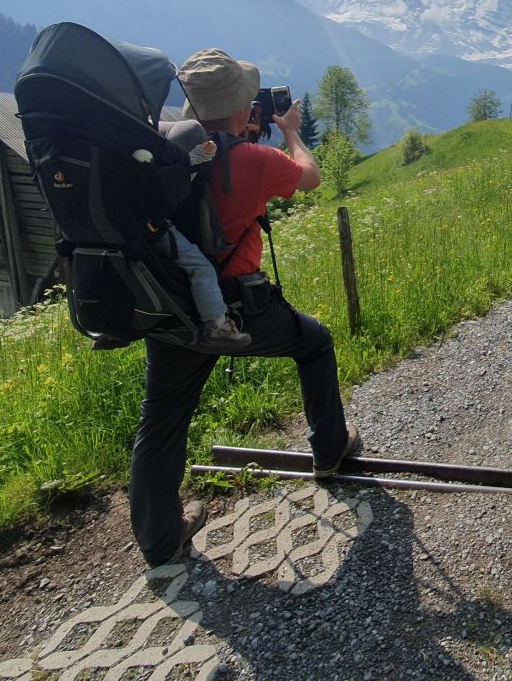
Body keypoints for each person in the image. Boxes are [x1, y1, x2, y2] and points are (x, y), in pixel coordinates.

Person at [129, 48, 361, 567]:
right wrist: (292, 132)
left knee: (161, 419)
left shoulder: (165, 149)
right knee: (314, 342)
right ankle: (329, 451)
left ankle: (160, 540)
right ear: (243, 108)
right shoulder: (254, 160)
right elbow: (310, 177)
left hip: (170, 307)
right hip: (239, 308)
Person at [152, 121, 249, 349]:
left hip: (115, 231)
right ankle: (217, 325)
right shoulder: (160, 164)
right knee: (200, 267)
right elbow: (167, 193)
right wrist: (194, 160)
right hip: (151, 227)